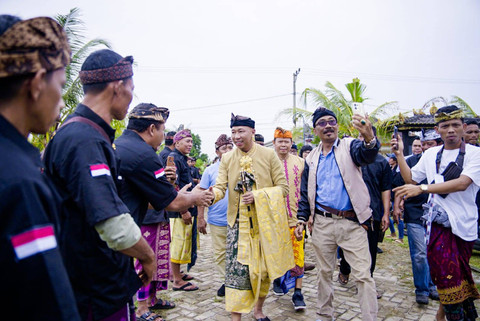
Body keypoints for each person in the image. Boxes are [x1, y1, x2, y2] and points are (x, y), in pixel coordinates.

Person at [44, 49, 156, 320]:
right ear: (117, 87)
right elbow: (112, 222)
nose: (131, 98)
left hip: (93, 282)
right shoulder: (84, 139)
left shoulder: (83, 132)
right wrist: (148, 256)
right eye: (132, 88)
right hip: (94, 290)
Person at [0, 14, 80, 321]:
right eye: (60, 84)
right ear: (35, 84)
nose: (61, 101)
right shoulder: (20, 184)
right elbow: (49, 302)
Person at [114, 103, 214, 320]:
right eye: (162, 130)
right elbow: (173, 202)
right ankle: (141, 308)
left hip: (117, 227)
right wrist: (196, 197)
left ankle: (146, 303)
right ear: (151, 129)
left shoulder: (119, 145)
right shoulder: (144, 153)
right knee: (143, 262)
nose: (163, 136)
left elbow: (143, 196)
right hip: (124, 232)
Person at [392, 105, 480, 321]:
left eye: (455, 125)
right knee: (445, 276)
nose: (451, 130)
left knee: (456, 276)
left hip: (464, 226)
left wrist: (422, 189)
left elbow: (462, 183)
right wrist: (399, 155)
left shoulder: (475, 154)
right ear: (437, 129)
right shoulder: (431, 154)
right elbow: (411, 179)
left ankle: (441, 316)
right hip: (438, 226)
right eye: (445, 126)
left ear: (464, 127)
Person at [295, 107, 380, 321]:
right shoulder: (311, 158)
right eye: (322, 123)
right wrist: (302, 219)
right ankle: (324, 315)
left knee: (363, 275)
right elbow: (306, 193)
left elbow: (367, 154)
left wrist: (369, 137)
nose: (328, 125)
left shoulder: (350, 146)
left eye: (331, 121)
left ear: (338, 126)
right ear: (315, 131)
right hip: (322, 224)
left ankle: (370, 317)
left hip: (352, 224)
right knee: (324, 273)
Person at [212, 113, 292, 321]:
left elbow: (283, 188)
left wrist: (258, 196)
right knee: (236, 273)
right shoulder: (228, 158)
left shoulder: (268, 155)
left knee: (263, 272)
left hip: (265, 224)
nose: (236, 136)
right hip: (237, 225)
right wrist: (209, 196)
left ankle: (258, 310)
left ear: (252, 132)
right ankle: (235, 317)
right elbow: (220, 187)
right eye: (233, 132)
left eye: (241, 131)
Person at [337, 127, 391, 300]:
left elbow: (385, 189)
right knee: (347, 247)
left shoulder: (382, 162)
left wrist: (385, 214)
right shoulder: (348, 159)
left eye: (365, 135)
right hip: (350, 213)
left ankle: (368, 282)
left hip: (373, 214)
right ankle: (344, 269)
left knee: (370, 250)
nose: (361, 139)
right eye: (359, 136)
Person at [391, 128, 441, 305]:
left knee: (434, 253)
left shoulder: (445, 163)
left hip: (438, 216)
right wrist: (396, 206)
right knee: (419, 254)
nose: (426, 147)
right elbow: (400, 185)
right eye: (423, 144)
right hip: (415, 213)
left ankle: (434, 284)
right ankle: (421, 288)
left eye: (430, 144)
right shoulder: (410, 162)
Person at [271, 127, 307, 310]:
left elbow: (306, 191)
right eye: (280, 141)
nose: (283, 144)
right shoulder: (267, 162)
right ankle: (277, 279)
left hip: (296, 220)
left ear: (291, 143)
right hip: (274, 221)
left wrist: (305, 217)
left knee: (298, 256)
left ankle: (298, 293)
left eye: (287, 141)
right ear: (274, 143)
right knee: (276, 254)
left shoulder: (301, 163)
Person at [197, 134, 234, 297]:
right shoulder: (210, 170)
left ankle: (236, 280)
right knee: (220, 253)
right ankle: (227, 281)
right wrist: (200, 218)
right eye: (223, 148)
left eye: (229, 147)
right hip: (217, 219)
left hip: (238, 218)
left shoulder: (241, 166)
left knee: (237, 251)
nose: (227, 151)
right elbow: (201, 195)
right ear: (217, 152)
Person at [168, 129, 200, 291]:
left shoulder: (182, 159)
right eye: (187, 141)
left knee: (183, 244)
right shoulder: (174, 159)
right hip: (179, 211)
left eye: (191, 141)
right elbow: (174, 187)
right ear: (177, 142)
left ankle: (177, 273)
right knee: (178, 245)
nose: (190, 144)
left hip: (185, 208)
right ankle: (176, 280)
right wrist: (183, 210)